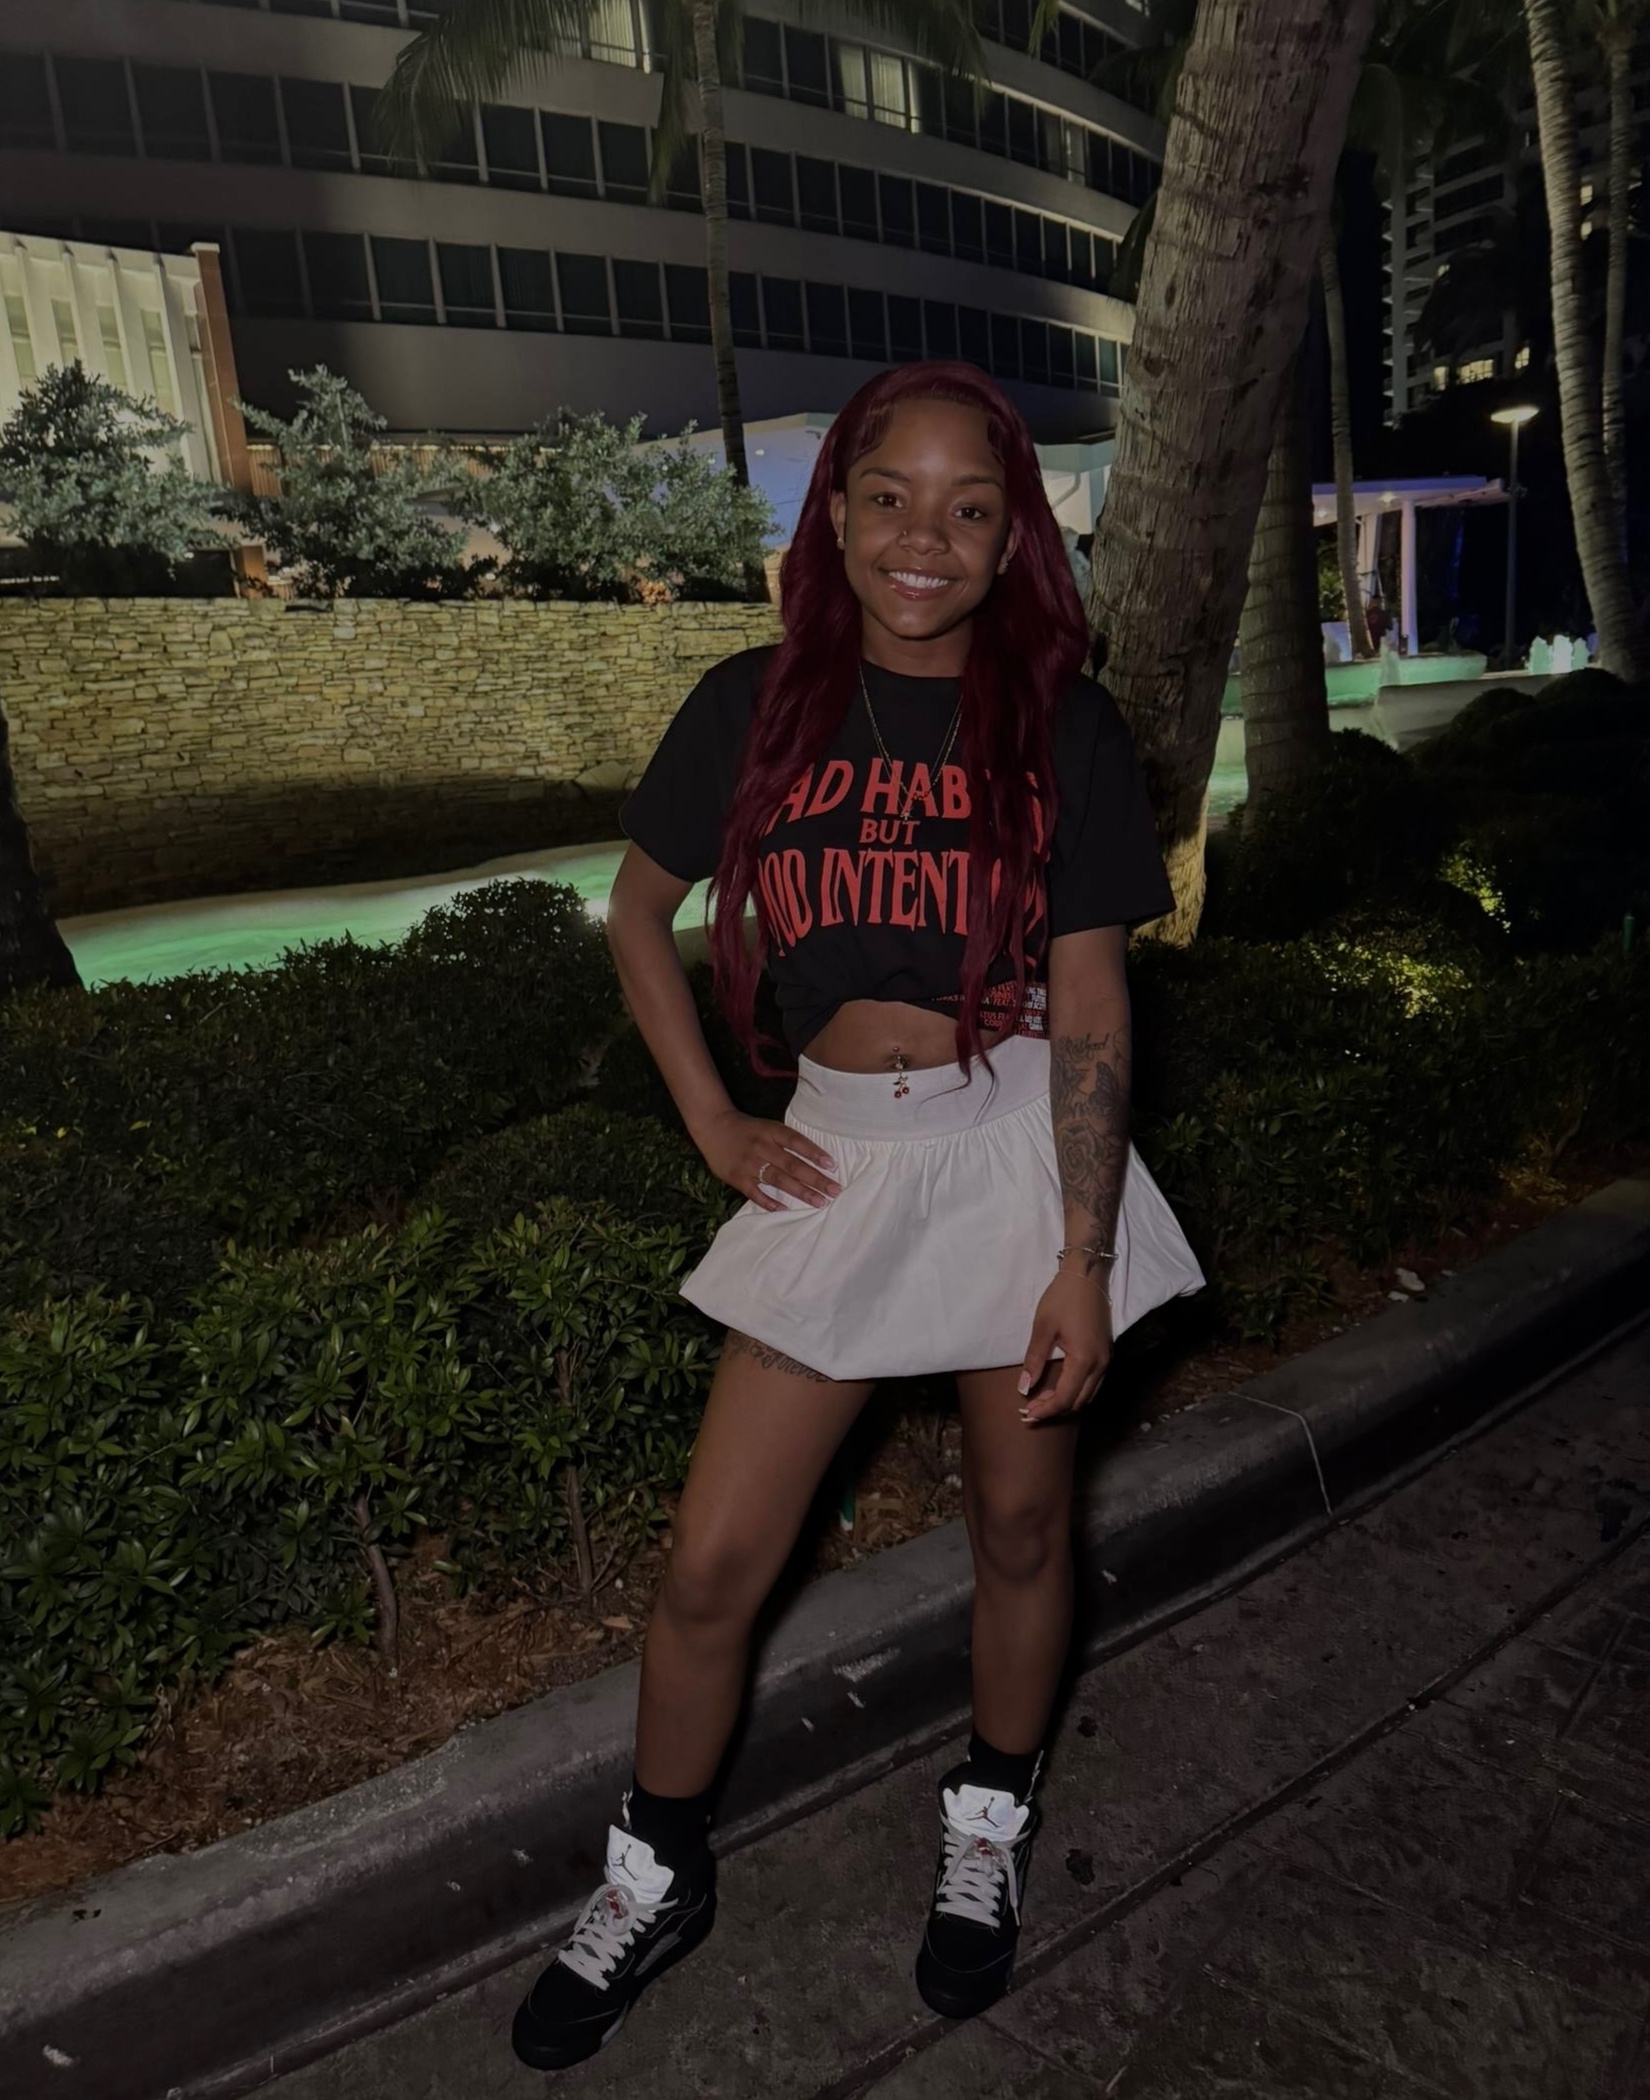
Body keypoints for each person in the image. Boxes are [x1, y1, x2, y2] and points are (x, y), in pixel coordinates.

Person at [510, 362, 1204, 2073]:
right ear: (831, 514)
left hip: (1010, 1153)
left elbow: (1092, 1004)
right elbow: (636, 912)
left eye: (969, 508)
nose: (923, 537)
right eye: (888, 495)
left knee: (1021, 1528)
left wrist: (1081, 1254)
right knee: (710, 1567)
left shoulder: (1062, 726)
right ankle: (656, 1872)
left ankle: (988, 1823)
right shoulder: (749, 704)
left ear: (1013, 540)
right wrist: (711, 1120)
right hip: (833, 1155)